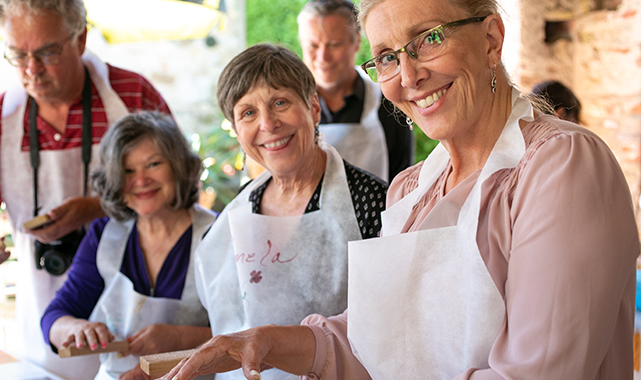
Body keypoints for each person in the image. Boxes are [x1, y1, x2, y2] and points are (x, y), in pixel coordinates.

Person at [162, 0, 640, 379]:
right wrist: (265, 342)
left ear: (491, 39)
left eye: (428, 39)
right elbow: (377, 341)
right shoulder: (410, 190)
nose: (409, 76)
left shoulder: (560, 165)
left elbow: (539, 373)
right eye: (388, 57)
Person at [0, 1, 171, 379]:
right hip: (40, 328)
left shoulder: (133, 97)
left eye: (47, 52)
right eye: (17, 54)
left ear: (81, 39)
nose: (31, 70)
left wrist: (96, 210)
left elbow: (179, 195)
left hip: (139, 334)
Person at [191, 43, 388, 380]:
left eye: (280, 102)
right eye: (248, 113)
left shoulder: (373, 203)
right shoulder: (237, 213)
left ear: (313, 107)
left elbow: (393, 327)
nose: (268, 123)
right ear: (238, 132)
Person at [41, 112, 215, 380]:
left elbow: (247, 331)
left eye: (153, 164)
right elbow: (54, 318)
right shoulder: (104, 234)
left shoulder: (216, 234)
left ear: (180, 166)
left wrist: (181, 337)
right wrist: (75, 329)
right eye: (127, 171)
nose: (141, 180)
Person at [297, 0, 412, 183]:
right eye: (313, 46)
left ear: (356, 42)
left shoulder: (388, 101)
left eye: (333, 44)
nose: (322, 57)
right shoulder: (292, 106)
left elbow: (403, 178)